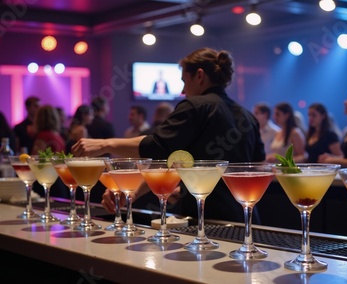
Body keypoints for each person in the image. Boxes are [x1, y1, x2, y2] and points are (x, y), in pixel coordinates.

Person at [72, 47, 265, 223]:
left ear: (199, 75)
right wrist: (136, 193)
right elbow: (254, 165)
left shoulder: (194, 106)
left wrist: (106, 144)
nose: (182, 90)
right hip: (246, 220)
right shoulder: (247, 116)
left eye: (184, 81)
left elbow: (158, 147)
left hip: (207, 221)